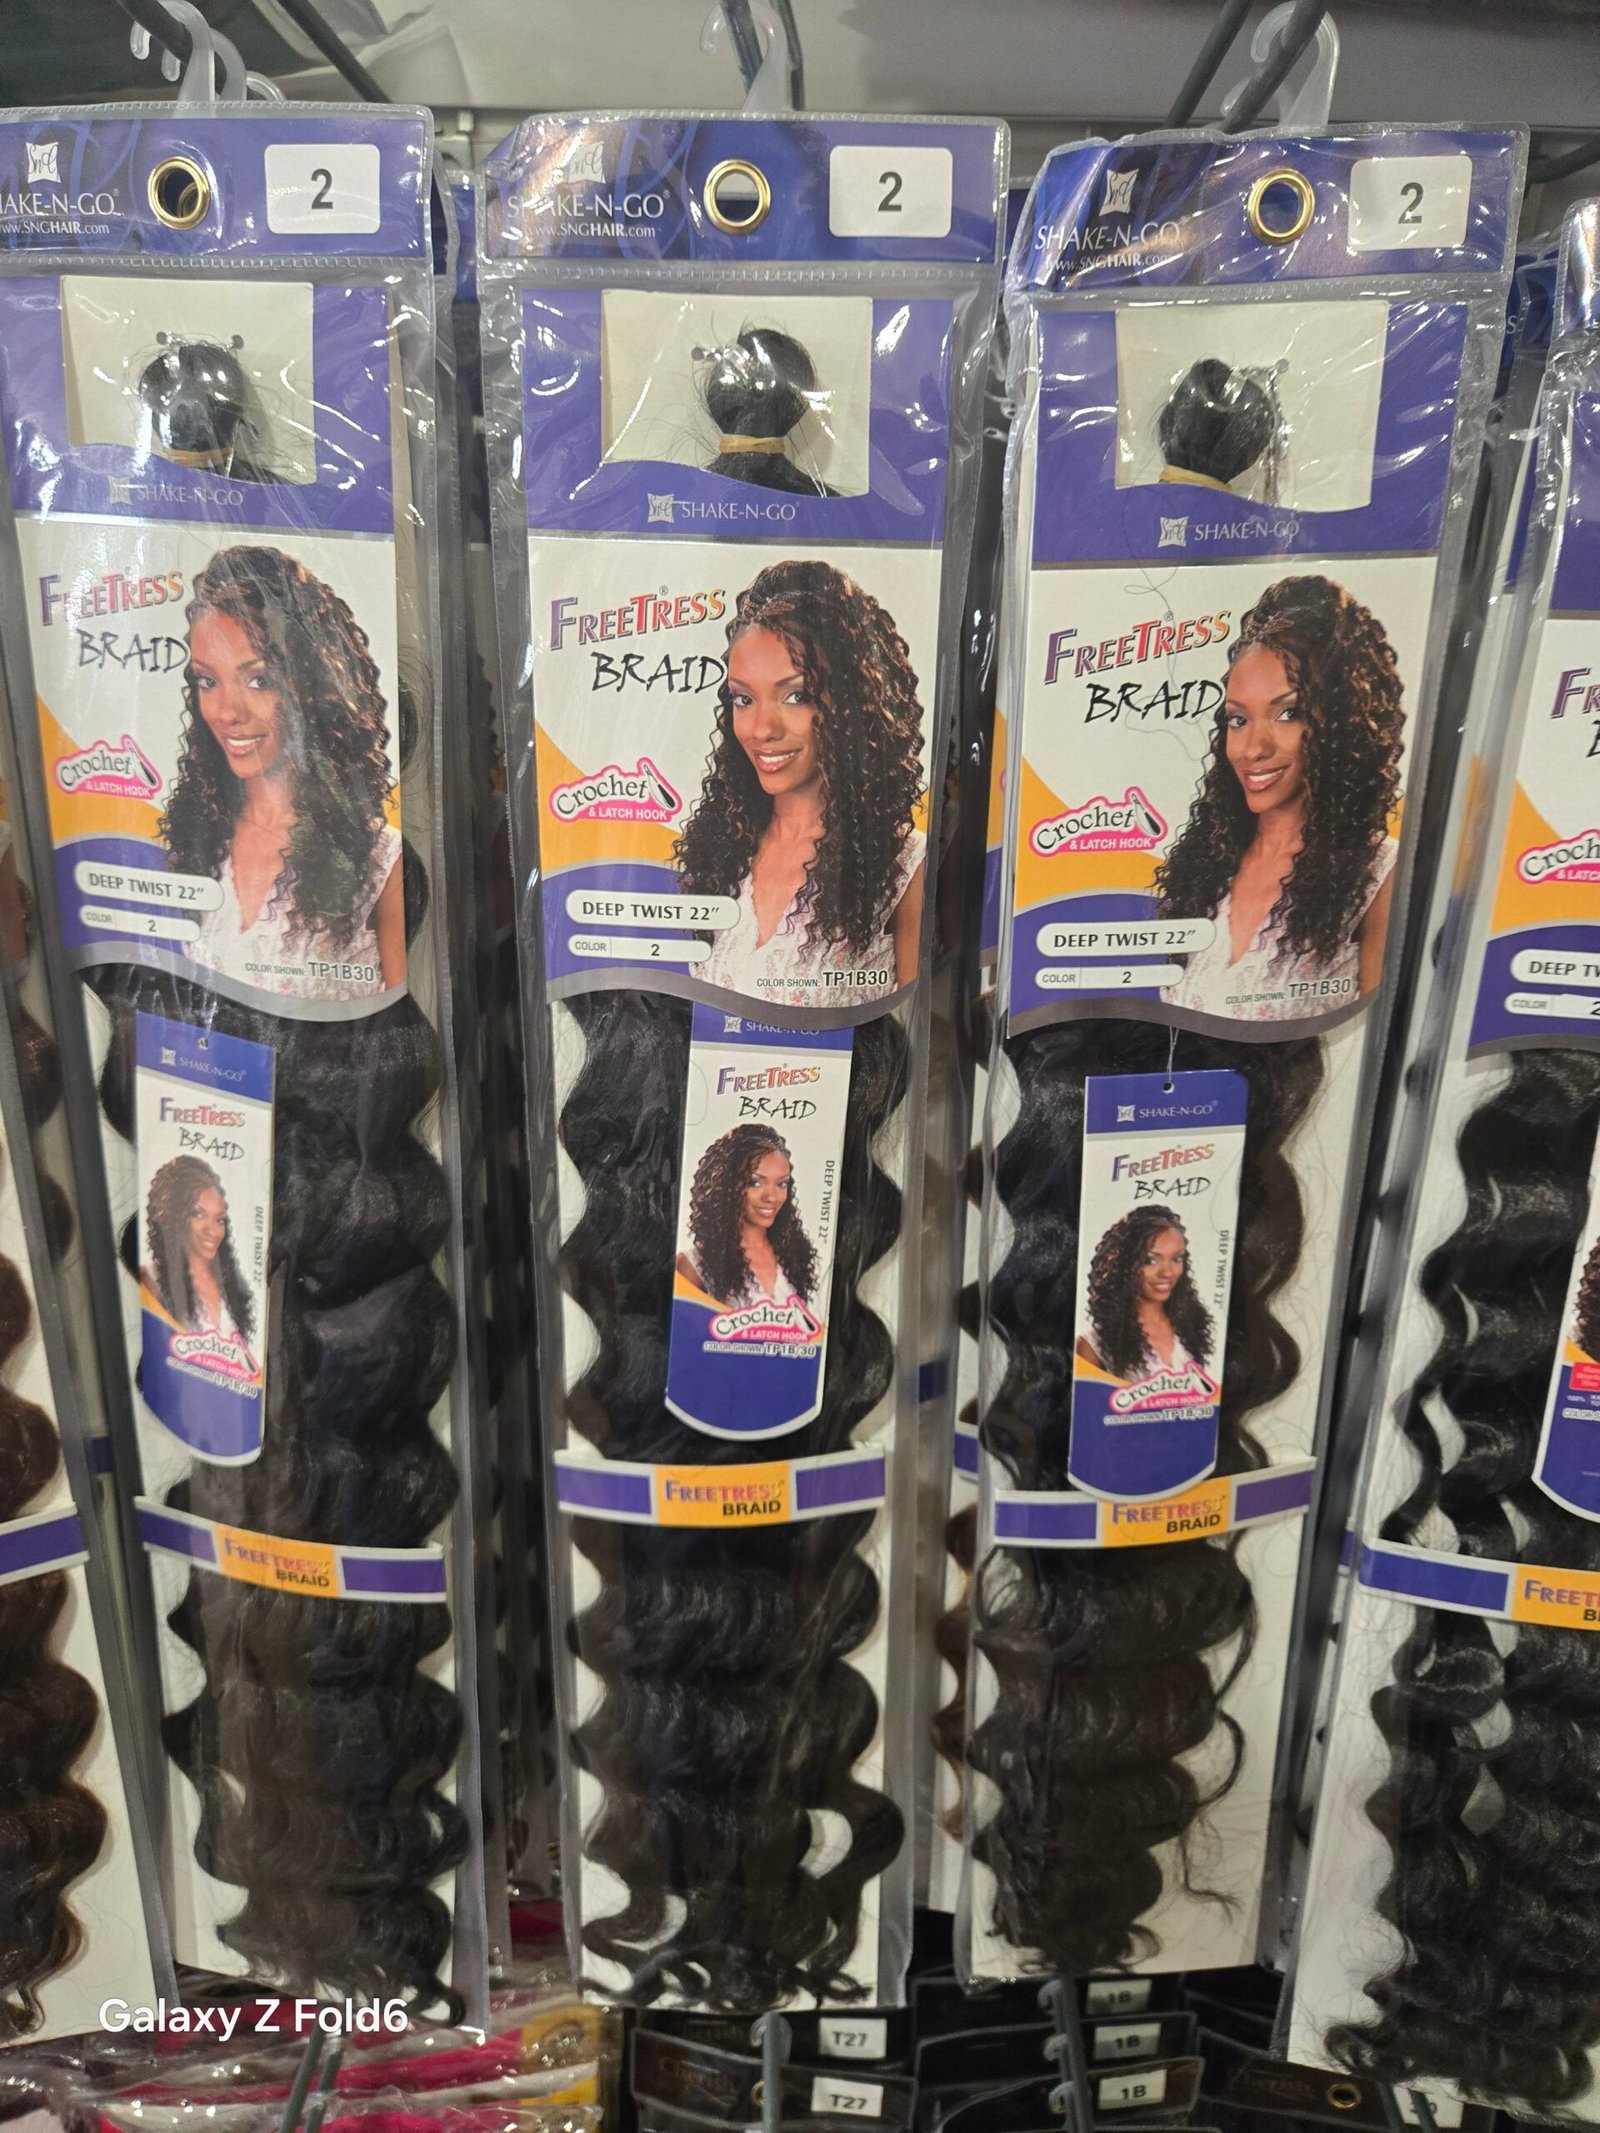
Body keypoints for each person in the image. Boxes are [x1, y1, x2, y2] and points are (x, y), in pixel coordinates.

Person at [675, 560, 926, 1011]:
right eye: (743, 698)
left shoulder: (903, 867)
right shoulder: (718, 851)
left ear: (852, 702)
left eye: (796, 696)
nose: (761, 729)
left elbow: (917, 1039)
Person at [1156, 576, 1404, 1021]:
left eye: (1289, 713)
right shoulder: (1206, 863)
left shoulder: (1378, 875)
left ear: (1342, 723)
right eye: (1238, 720)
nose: (1252, 749)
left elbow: (1374, 1039)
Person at [162, 546, 404, 1002]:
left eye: (259, 680)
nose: (227, 712)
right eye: (207, 681)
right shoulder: (195, 842)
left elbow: (407, 1033)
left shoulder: (379, 861)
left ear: (310, 684)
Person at [675, 1123, 820, 1315]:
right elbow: (684, 1330)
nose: (772, 1197)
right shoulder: (693, 1265)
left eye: (781, 1184)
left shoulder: (795, 1255)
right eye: (755, 1183)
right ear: (727, 1185)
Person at [1075, 1208, 1214, 1384]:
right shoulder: (1093, 1345)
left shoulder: (1191, 1326)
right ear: (1125, 1264)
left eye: (1177, 1258)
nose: (1168, 1272)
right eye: (1151, 1260)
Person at [144, 1154, 254, 1346]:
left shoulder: (231, 1283)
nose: (213, 1231)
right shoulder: (151, 1280)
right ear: (176, 1217)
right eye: (198, 1214)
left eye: (219, 1219)